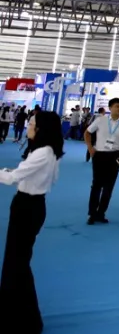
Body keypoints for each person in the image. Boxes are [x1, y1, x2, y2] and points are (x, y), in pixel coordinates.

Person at [0, 110, 63, 333]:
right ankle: (18, 313)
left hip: (27, 207)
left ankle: (26, 318)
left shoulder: (42, 152)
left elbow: (12, 178)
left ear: (41, 129)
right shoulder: (48, 151)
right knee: (17, 261)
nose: (28, 126)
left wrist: (6, 172)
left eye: (31, 124)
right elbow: (49, 178)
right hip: (32, 206)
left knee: (17, 262)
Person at [85, 98, 119, 224]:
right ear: (110, 108)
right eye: (117, 106)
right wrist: (90, 148)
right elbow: (87, 133)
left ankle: (101, 213)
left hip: (115, 156)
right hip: (99, 155)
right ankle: (92, 213)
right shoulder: (100, 120)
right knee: (96, 185)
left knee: (109, 186)